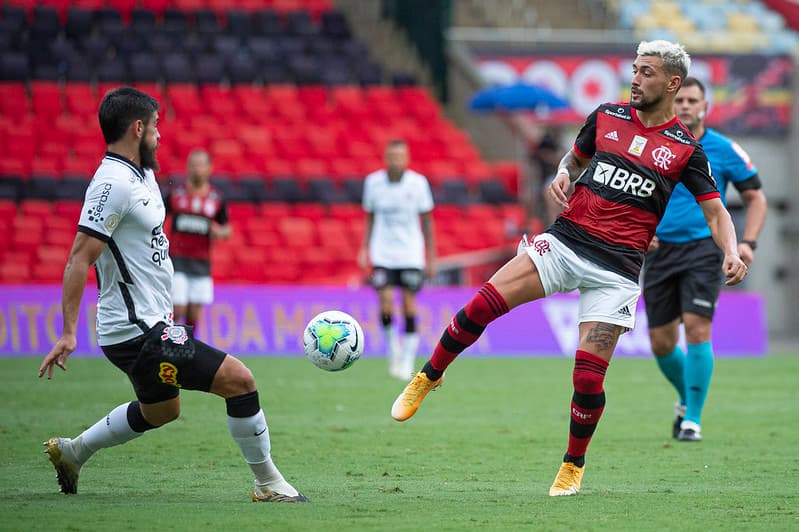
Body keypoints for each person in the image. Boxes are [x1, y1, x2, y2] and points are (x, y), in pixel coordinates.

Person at [389, 40, 749, 497]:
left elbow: (716, 212)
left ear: (672, 83)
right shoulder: (605, 116)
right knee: (482, 304)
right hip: (565, 242)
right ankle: (428, 376)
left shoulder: (684, 149)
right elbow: (574, 160)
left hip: (616, 271)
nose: (636, 78)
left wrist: (731, 251)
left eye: (647, 73)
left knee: (586, 377)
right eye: (635, 70)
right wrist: (563, 173)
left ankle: (572, 466)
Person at [37, 87, 307, 503]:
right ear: (138, 128)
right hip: (137, 330)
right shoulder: (111, 184)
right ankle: (268, 483)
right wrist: (69, 332)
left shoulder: (141, 173)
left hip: (149, 323)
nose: (161, 136)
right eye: (156, 127)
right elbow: (78, 258)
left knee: (162, 411)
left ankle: (74, 452)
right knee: (240, 381)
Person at [643, 77, 768, 442]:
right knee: (661, 343)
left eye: (692, 100)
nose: (684, 106)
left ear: (705, 106)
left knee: (697, 330)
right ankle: (687, 397)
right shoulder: (655, 146)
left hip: (704, 249)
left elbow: (756, 197)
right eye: (679, 99)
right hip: (659, 251)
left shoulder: (725, 149)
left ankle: (691, 421)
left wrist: (747, 243)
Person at [358, 139, 437, 380]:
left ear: (406, 158)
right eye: (392, 156)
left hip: (410, 252)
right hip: (382, 251)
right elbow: (370, 217)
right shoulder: (373, 183)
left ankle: (408, 359)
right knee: (385, 302)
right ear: (386, 157)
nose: (396, 161)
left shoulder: (418, 183)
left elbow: (426, 220)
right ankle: (393, 348)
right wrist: (364, 248)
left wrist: (431, 255)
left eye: (400, 156)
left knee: (409, 304)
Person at [166, 149, 231, 329]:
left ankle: (188, 351)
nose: (197, 169)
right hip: (177, 261)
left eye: (201, 165)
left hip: (201, 263)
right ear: (187, 167)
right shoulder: (176, 194)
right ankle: (163, 342)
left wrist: (219, 231)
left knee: (193, 314)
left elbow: (227, 229)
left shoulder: (216, 198)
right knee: (177, 309)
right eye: (193, 165)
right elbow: (158, 217)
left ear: (209, 168)